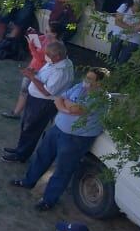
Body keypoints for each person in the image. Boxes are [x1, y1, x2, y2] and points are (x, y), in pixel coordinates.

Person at [13, 69, 108, 211]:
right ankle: (28, 181)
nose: (86, 81)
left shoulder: (100, 99)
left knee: (63, 169)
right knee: (42, 156)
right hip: (57, 129)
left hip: (76, 139)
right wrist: (66, 109)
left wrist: (67, 104)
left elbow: (77, 109)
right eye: (86, 77)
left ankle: (48, 200)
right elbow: (58, 99)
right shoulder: (79, 87)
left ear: (100, 84)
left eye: (90, 79)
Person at [3, 41, 75, 163]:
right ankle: (20, 149)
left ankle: (21, 155)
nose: (46, 57)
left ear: (57, 56)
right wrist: (34, 73)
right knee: (26, 125)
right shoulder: (55, 62)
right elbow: (44, 77)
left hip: (43, 103)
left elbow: (47, 92)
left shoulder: (61, 72)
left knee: (32, 129)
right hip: (35, 99)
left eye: (48, 55)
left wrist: (31, 77)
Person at [2, 27, 56, 120]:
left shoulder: (55, 46)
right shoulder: (46, 38)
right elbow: (38, 41)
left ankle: (24, 114)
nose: (45, 33)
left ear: (55, 34)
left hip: (40, 71)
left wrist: (31, 47)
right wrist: (33, 35)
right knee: (24, 90)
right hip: (33, 67)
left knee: (34, 93)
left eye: (48, 31)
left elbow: (40, 58)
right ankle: (16, 112)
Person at [107, 0, 140, 64]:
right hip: (118, 35)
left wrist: (129, 27)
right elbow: (117, 21)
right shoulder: (124, 6)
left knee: (123, 61)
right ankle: (108, 73)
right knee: (112, 58)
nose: (138, 0)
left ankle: (116, 74)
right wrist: (132, 28)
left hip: (134, 39)